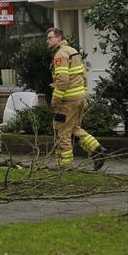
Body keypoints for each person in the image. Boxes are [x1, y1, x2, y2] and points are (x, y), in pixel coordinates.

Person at [46, 26, 105, 170]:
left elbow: (63, 80)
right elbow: (83, 76)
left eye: (50, 38)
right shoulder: (74, 52)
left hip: (67, 101)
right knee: (74, 128)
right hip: (78, 99)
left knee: (63, 133)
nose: (47, 41)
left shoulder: (60, 54)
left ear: (59, 38)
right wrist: (84, 96)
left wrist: (55, 100)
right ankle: (96, 149)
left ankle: (65, 166)